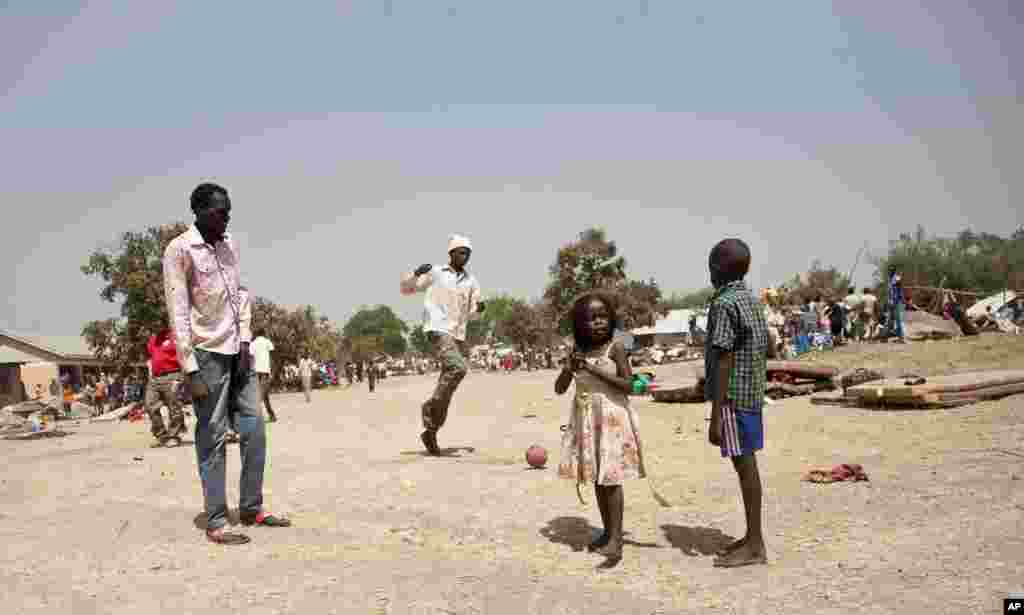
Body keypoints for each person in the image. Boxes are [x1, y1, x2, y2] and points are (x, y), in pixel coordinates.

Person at [163, 182, 289, 546]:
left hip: (239, 352)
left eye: (228, 210)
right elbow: (178, 309)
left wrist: (246, 339)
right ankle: (216, 520)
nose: (227, 216)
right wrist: (190, 368)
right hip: (206, 354)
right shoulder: (179, 249)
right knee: (213, 436)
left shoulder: (230, 243)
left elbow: (239, 294)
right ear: (199, 211)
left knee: (254, 429)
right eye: (220, 211)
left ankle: (251, 507)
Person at [555, 291, 643, 564]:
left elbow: (630, 386)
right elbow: (559, 389)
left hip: (612, 419)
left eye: (603, 316)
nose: (598, 323)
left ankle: (616, 539)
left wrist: (593, 370)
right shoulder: (577, 350)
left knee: (611, 478)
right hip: (587, 420)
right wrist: (570, 368)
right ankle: (607, 532)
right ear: (580, 325)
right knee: (597, 476)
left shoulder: (615, 347)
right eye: (591, 319)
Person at [704, 238, 769, 568]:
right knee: (749, 467)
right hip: (752, 395)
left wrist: (715, 415)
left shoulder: (724, 304)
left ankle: (755, 544)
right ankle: (752, 536)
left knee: (746, 469)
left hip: (732, 399)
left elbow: (724, 358)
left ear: (716, 268)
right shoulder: (751, 300)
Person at [400, 234, 486, 456]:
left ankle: (431, 430)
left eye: (468, 252)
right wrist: (416, 273)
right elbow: (406, 289)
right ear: (451, 253)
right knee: (458, 368)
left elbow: (473, 314)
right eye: (461, 251)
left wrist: (479, 310)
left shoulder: (472, 282)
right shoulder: (436, 272)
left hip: (457, 334)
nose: (465, 256)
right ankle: (429, 410)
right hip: (438, 328)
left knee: (450, 381)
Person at [145, 327, 188, 447]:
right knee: (150, 406)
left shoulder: (175, 336)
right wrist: (150, 373)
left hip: (172, 375)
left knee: (174, 407)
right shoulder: (153, 339)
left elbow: (184, 356)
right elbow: (151, 358)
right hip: (154, 378)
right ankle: (161, 435)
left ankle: (173, 435)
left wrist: (180, 378)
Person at [250, 329, 278, 422]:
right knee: (263, 393)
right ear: (264, 334)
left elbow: (251, 358)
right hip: (265, 370)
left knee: (263, 393)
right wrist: (273, 371)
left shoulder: (253, 343)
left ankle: (271, 415)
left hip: (256, 370)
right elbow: (272, 356)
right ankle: (264, 415)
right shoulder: (267, 342)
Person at [885, 268, 905, 342]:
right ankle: (886, 337)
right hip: (891, 302)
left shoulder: (896, 278)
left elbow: (898, 290)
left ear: (894, 271)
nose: (890, 272)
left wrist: (896, 300)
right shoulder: (889, 280)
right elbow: (890, 292)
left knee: (898, 320)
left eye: (891, 271)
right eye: (889, 271)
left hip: (897, 302)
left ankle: (901, 337)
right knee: (889, 320)